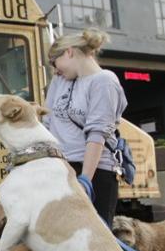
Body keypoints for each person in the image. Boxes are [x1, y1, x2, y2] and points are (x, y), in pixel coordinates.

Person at [44, 29, 128, 225]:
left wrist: (85, 181)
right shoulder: (59, 81)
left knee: (94, 244)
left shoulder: (104, 81)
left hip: (93, 171)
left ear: (69, 52)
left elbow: (97, 133)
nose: (55, 70)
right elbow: (47, 122)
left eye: (53, 62)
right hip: (61, 167)